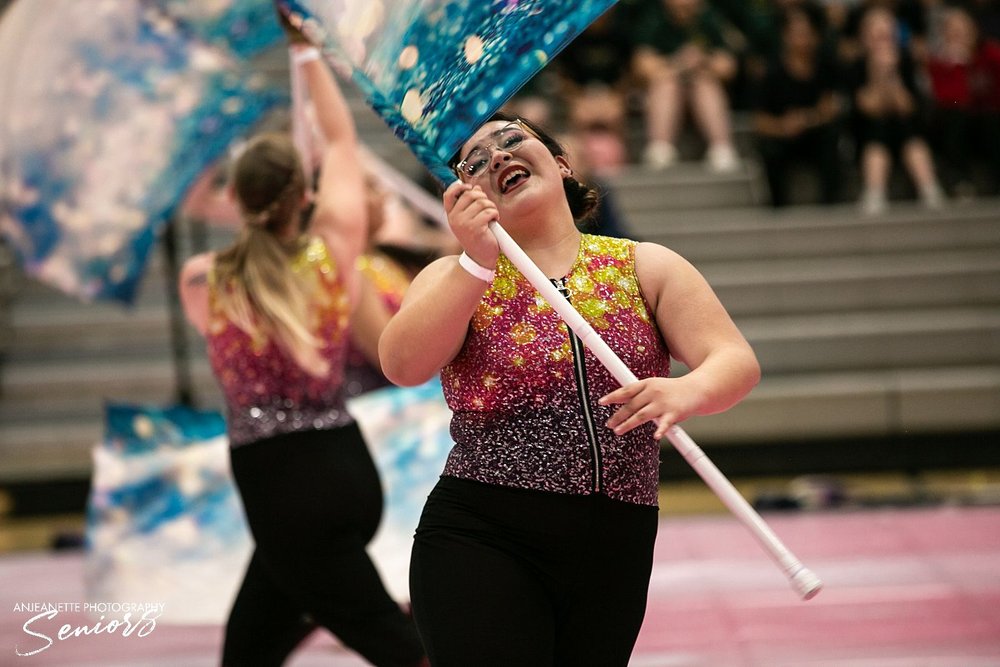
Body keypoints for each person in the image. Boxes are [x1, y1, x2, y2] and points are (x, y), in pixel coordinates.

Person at [378, 112, 760, 666]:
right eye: (476, 162)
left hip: (615, 539)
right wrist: (476, 262)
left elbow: (733, 360)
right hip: (481, 532)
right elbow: (402, 365)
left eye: (512, 141)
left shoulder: (644, 265)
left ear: (560, 163)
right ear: (465, 195)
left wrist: (686, 392)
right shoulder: (451, 276)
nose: (498, 157)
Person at [178, 42, 426, 667]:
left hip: (281, 489)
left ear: (234, 198)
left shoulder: (204, 280)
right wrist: (308, 51)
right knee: (250, 648)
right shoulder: (331, 254)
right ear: (302, 195)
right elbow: (342, 146)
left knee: (400, 646)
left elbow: (195, 203)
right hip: (343, 469)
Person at [846, 6, 944, 214]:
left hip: (904, 128)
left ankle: (929, 188)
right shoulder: (856, 66)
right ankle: (874, 191)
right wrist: (878, 74)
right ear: (864, 35)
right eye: (876, 31)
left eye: (886, 31)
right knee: (878, 129)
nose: (882, 36)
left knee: (908, 131)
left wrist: (892, 74)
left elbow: (907, 107)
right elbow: (869, 107)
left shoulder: (907, 62)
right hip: (868, 130)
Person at [629, 0, 742, 172]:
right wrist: (679, 64)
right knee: (667, 83)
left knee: (704, 83)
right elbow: (642, 66)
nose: (684, 6)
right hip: (665, 88)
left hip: (700, 88)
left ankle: (721, 148)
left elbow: (728, 66)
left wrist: (704, 61)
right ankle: (660, 147)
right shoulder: (654, 20)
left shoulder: (709, 20)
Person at [752, 3, 844, 207]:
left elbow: (832, 106)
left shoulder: (826, 65)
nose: (801, 39)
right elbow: (759, 120)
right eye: (795, 33)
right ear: (784, 35)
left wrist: (807, 119)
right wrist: (783, 126)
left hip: (816, 133)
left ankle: (831, 204)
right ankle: (777, 206)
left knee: (832, 138)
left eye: (806, 33)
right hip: (783, 136)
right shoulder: (772, 71)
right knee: (769, 150)